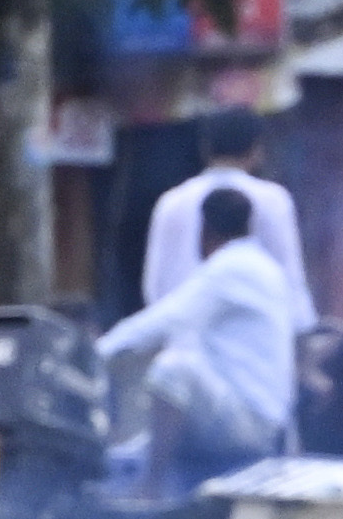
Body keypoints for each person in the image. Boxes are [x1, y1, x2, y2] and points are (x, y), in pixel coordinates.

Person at [99, 188, 301, 490]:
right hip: (261, 416)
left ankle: (151, 487)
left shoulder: (232, 267)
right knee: (123, 457)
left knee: (172, 371)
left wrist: (93, 352)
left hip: (251, 423)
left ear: (204, 230)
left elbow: (165, 319)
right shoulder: (264, 267)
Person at [142, 103, 300, 309]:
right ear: (256, 149)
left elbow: (156, 282)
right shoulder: (272, 200)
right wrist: (302, 329)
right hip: (249, 334)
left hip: (183, 333)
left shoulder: (172, 201)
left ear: (205, 148)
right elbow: (288, 276)